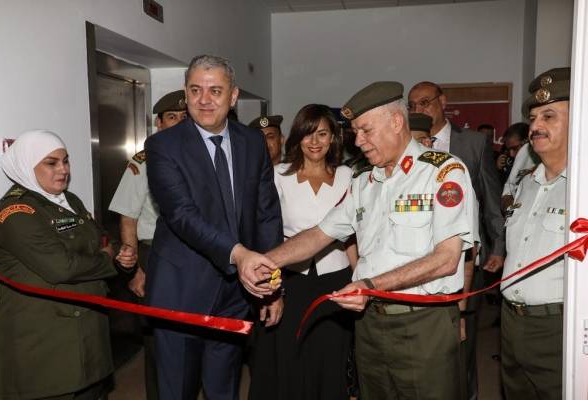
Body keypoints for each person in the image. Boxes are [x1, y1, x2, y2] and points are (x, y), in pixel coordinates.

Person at [238, 81, 475, 400]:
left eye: (365, 130)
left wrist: (371, 285)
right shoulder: (364, 183)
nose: (358, 141)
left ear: (396, 122)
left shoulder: (443, 173)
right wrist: (265, 262)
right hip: (369, 323)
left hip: (422, 323)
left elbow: (447, 259)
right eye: (355, 132)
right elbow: (318, 234)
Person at [144, 54, 283, 400]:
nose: (204, 100)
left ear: (233, 96)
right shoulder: (162, 146)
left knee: (224, 387)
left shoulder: (252, 142)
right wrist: (238, 254)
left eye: (215, 91)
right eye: (195, 90)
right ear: (186, 94)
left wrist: (271, 283)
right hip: (181, 289)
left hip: (237, 291)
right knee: (178, 389)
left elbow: (266, 213)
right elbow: (181, 215)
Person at [0, 129, 136, 400]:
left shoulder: (70, 201)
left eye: (65, 161)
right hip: (45, 345)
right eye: (51, 163)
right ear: (26, 165)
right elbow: (62, 268)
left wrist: (121, 255)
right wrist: (106, 258)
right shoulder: (15, 213)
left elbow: (102, 239)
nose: (63, 170)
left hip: (88, 337)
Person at [249, 104, 357, 400]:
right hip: (290, 280)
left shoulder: (348, 176)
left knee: (331, 355)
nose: (315, 142)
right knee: (289, 356)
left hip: (335, 280)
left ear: (333, 137)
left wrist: (359, 278)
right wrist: (270, 287)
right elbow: (266, 234)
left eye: (322, 134)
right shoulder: (278, 175)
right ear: (297, 138)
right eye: (308, 134)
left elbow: (352, 237)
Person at [408, 81, 505, 400]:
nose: (419, 109)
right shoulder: (407, 142)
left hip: (466, 257)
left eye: (425, 102)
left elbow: (491, 198)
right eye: (413, 105)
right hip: (419, 257)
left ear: (443, 101)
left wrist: (498, 247)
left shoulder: (473, 143)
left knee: (463, 339)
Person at [489, 67, 570, 399]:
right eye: (534, 118)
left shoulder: (581, 189)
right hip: (511, 321)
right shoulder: (527, 184)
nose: (535, 126)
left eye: (549, 116)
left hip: (557, 327)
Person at [108, 89, 187, 400]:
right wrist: (135, 271)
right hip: (154, 254)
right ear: (159, 123)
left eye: (184, 117)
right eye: (172, 117)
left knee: (191, 332)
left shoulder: (200, 157)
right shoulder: (143, 161)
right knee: (159, 336)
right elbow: (127, 217)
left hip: (192, 255)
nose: (179, 123)